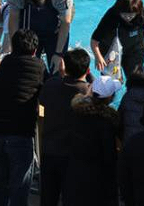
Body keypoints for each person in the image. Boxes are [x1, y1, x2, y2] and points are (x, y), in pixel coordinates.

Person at [0, 29, 45, 206]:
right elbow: (45, 91)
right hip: (20, 133)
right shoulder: (38, 66)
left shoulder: (5, 63)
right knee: (19, 189)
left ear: (13, 47)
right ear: (35, 50)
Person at [38, 49, 93, 206]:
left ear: (64, 67)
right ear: (88, 70)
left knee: (48, 199)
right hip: (74, 156)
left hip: (49, 151)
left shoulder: (50, 85)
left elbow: (43, 100)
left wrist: (61, 75)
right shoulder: (88, 93)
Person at [6, 0, 74, 73]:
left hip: (55, 27)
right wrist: (15, 50)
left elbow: (65, 24)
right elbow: (13, 20)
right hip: (29, 26)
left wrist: (59, 53)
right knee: (26, 68)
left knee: (57, 68)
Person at [67, 76, 122, 206]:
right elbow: (109, 156)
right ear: (110, 97)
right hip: (99, 180)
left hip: (75, 175)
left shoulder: (77, 112)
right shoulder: (107, 121)